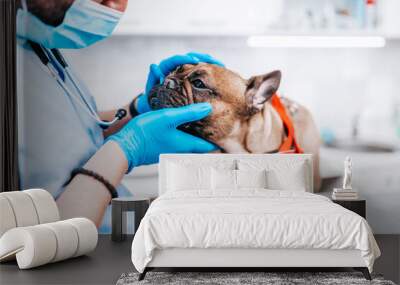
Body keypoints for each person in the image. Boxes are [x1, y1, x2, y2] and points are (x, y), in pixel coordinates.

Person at [16, 0, 223, 232]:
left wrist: (137, 109)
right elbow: (51, 237)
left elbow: (76, 134)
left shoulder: (38, 45)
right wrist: (127, 148)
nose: (116, 7)